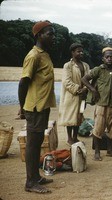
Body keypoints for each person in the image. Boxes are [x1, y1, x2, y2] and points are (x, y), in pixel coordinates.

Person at [18, 21, 56, 194]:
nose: (53, 37)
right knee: (33, 145)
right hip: (34, 108)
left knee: (38, 141)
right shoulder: (33, 56)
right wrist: (22, 107)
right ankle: (30, 182)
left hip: (43, 106)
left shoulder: (45, 55)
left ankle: (36, 176)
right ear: (39, 35)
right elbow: (23, 82)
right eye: (50, 34)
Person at [81, 46, 112, 161]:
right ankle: (97, 152)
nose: (109, 59)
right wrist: (93, 90)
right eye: (107, 57)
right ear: (103, 58)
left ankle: (110, 151)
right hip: (101, 104)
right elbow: (84, 79)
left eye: (111, 57)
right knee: (98, 128)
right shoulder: (98, 70)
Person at [59, 43, 90, 145]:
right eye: (78, 51)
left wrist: (85, 89)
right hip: (71, 95)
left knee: (79, 116)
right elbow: (66, 82)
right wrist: (78, 89)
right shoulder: (67, 65)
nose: (81, 53)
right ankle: (69, 138)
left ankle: (75, 137)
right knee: (70, 116)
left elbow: (89, 79)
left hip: (83, 96)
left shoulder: (85, 65)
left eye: (82, 51)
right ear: (73, 52)